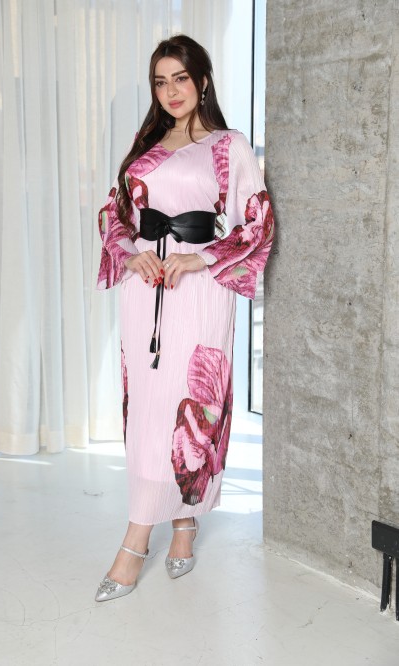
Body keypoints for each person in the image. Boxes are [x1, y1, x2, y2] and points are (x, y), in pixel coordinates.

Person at [95, 34, 274, 602]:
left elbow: (258, 220)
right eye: (160, 81)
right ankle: (175, 523)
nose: (171, 91)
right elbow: (114, 213)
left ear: (202, 81)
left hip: (198, 291)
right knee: (149, 411)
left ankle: (141, 538)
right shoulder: (145, 146)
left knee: (188, 408)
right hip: (144, 290)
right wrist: (132, 253)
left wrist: (199, 258)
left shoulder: (228, 145)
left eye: (180, 78)